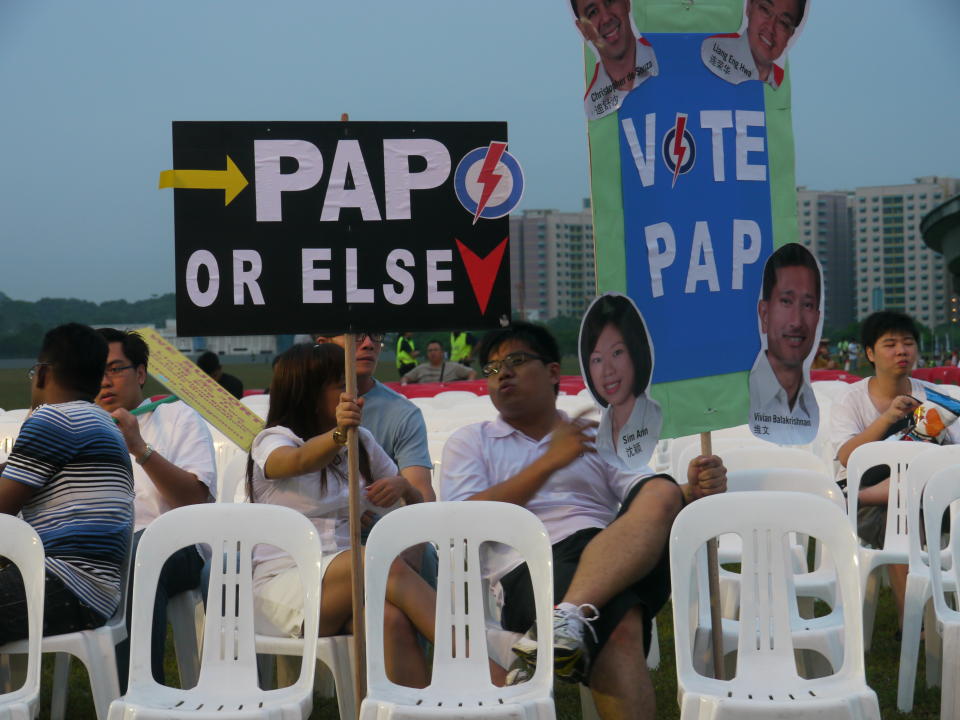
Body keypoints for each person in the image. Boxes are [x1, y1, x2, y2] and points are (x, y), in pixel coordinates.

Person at [441, 322, 727, 720]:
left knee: (661, 491)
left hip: (605, 551)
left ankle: (565, 617)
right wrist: (550, 461)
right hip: (528, 567)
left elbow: (645, 492)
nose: (501, 373)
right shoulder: (472, 441)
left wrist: (693, 487)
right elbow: (461, 526)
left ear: (554, 372)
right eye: (491, 369)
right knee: (619, 626)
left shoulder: (593, 436)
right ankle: (571, 618)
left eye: (516, 361)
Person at [248, 343, 438, 686]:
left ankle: (416, 709)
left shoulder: (360, 440)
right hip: (282, 592)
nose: (351, 393)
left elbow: (419, 516)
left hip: (342, 584)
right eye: (339, 383)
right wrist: (338, 435)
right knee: (375, 561)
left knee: (390, 619)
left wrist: (404, 488)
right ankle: (481, 664)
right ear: (308, 392)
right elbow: (296, 461)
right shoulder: (271, 440)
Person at [95, 328, 217, 687]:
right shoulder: (83, 425)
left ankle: (142, 695)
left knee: (140, 554)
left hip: (175, 545)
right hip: (102, 549)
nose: (104, 381)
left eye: (115, 369)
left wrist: (140, 448)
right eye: (95, 371)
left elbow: (195, 499)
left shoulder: (176, 416)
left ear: (141, 373)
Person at [0, 324, 134, 644]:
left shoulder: (53, 420)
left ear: (44, 374)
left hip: (67, 585)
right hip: (91, 591)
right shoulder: (99, 422)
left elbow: (2, 510)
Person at [832, 311, 960, 632]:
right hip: (869, 508)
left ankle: (923, 616)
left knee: (909, 503)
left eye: (908, 342)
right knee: (901, 516)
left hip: (926, 496)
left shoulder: (933, 399)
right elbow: (847, 456)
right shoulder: (851, 400)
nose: (902, 351)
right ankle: (911, 618)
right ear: (870, 354)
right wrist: (888, 417)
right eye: (890, 344)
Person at [315, 333, 433, 503]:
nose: (369, 344)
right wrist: (339, 507)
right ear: (324, 343)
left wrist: (405, 489)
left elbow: (424, 500)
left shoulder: (404, 414)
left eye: (375, 334)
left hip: (381, 527)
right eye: (355, 335)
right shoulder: (299, 406)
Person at [749, 243, 821, 444]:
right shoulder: (741, 400)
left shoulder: (817, 406)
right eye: (786, 302)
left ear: (817, 317)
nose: (797, 322)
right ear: (764, 313)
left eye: (807, 305)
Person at [579, 294, 662, 469]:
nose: (607, 370)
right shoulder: (593, 435)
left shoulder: (660, 418)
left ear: (636, 353)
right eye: (597, 360)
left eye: (617, 353)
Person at [572, 0, 659, 120]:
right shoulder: (594, 107)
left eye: (610, 1)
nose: (606, 18)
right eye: (593, 12)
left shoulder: (665, 59)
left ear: (627, 2)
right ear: (583, 29)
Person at [701, 0, 806, 89]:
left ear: (791, 34)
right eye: (765, 9)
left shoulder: (779, 86)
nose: (771, 28)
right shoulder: (713, 50)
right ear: (749, 6)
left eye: (783, 22)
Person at [402, 340, 476, 385]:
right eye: (430, 350)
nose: (432, 353)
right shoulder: (420, 368)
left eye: (435, 350)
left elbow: (472, 373)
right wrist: (404, 384)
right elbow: (405, 378)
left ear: (442, 352)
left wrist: (468, 385)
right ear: (427, 354)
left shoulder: (453, 367)